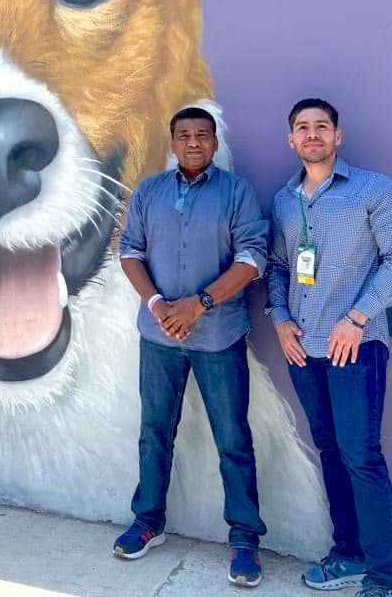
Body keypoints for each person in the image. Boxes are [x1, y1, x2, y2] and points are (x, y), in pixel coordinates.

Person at [113, 107, 270, 588]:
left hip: (218, 335)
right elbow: (130, 252)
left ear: (215, 142)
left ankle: (245, 539)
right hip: (159, 335)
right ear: (173, 142)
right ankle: (148, 522)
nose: (194, 142)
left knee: (233, 439)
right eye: (185, 135)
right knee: (154, 430)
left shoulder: (237, 193)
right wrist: (160, 304)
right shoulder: (150, 192)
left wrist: (198, 304)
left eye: (203, 135)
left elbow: (252, 257)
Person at [266, 99, 392, 597]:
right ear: (290, 140)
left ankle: (383, 577)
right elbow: (280, 267)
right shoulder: (284, 200)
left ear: (338, 136)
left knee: (362, 457)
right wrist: (280, 320)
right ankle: (347, 553)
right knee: (329, 450)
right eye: (302, 128)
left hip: (357, 348)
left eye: (321, 127)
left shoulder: (374, 190)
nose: (312, 135)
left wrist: (356, 318)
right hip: (304, 350)